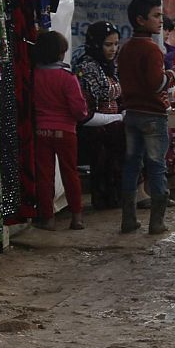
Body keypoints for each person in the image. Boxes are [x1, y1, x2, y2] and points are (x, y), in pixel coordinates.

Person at [118, 0, 175, 236]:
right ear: (141, 20)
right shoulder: (151, 49)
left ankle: (128, 219)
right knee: (156, 166)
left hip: (131, 114)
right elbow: (156, 84)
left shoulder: (126, 47)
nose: (161, 20)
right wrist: (174, 73)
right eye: (156, 15)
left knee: (131, 166)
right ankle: (157, 222)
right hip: (152, 116)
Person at [31, 30, 89, 231]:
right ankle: (77, 216)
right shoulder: (67, 77)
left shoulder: (34, 75)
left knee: (44, 175)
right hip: (66, 132)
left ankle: (47, 218)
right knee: (70, 173)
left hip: (41, 131)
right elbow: (79, 109)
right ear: (60, 54)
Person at [73, 21, 125, 211]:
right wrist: (117, 119)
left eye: (116, 44)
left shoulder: (111, 66)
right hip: (93, 130)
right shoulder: (87, 68)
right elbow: (85, 114)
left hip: (113, 126)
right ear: (96, 44)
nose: (113, 49)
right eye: (108, 45)